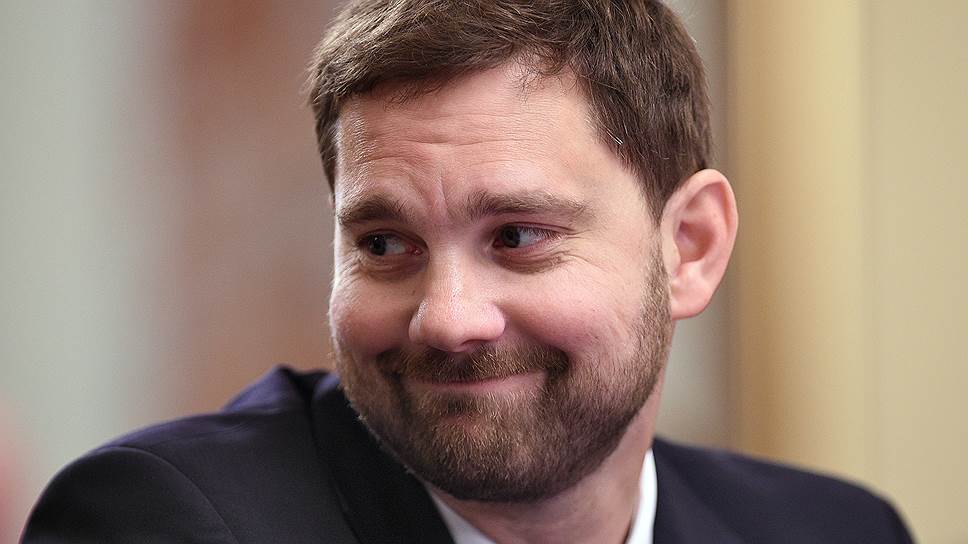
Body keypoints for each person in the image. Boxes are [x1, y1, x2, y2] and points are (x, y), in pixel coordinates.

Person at [23, 1, 913, 542]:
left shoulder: (836, 531)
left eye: (518, 236)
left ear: (689, 247)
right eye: (384, 245)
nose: (447, 318)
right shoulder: (162, 523)